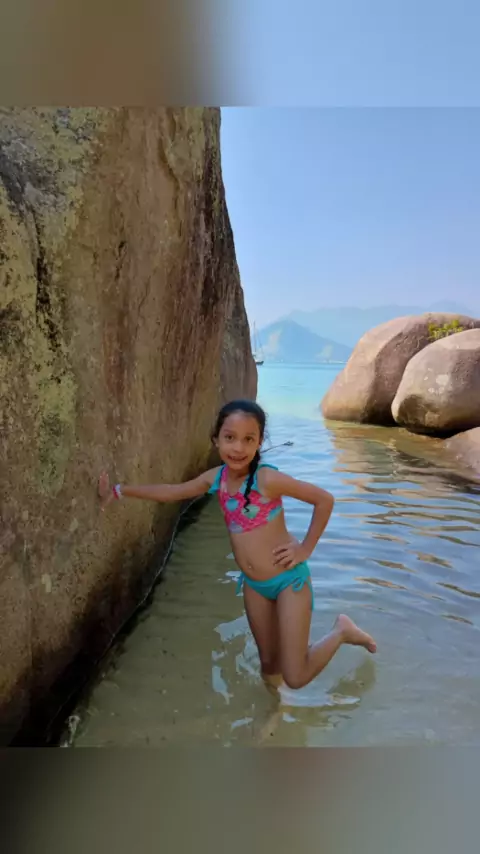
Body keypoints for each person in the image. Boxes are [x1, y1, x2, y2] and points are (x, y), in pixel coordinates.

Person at [98, 399, 376, 692]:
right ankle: (275, 710)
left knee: (295, 677)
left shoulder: (266, 479)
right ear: (216, 440)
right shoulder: (216, 479)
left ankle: (341, 631)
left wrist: (305, 549)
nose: (238, 448)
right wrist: (118, 491)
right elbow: (172, 492)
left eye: (248, 439)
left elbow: (324, 500)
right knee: (268, 665)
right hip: (254, 586)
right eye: (230, 437)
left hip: (288, 582)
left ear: (259, 442)